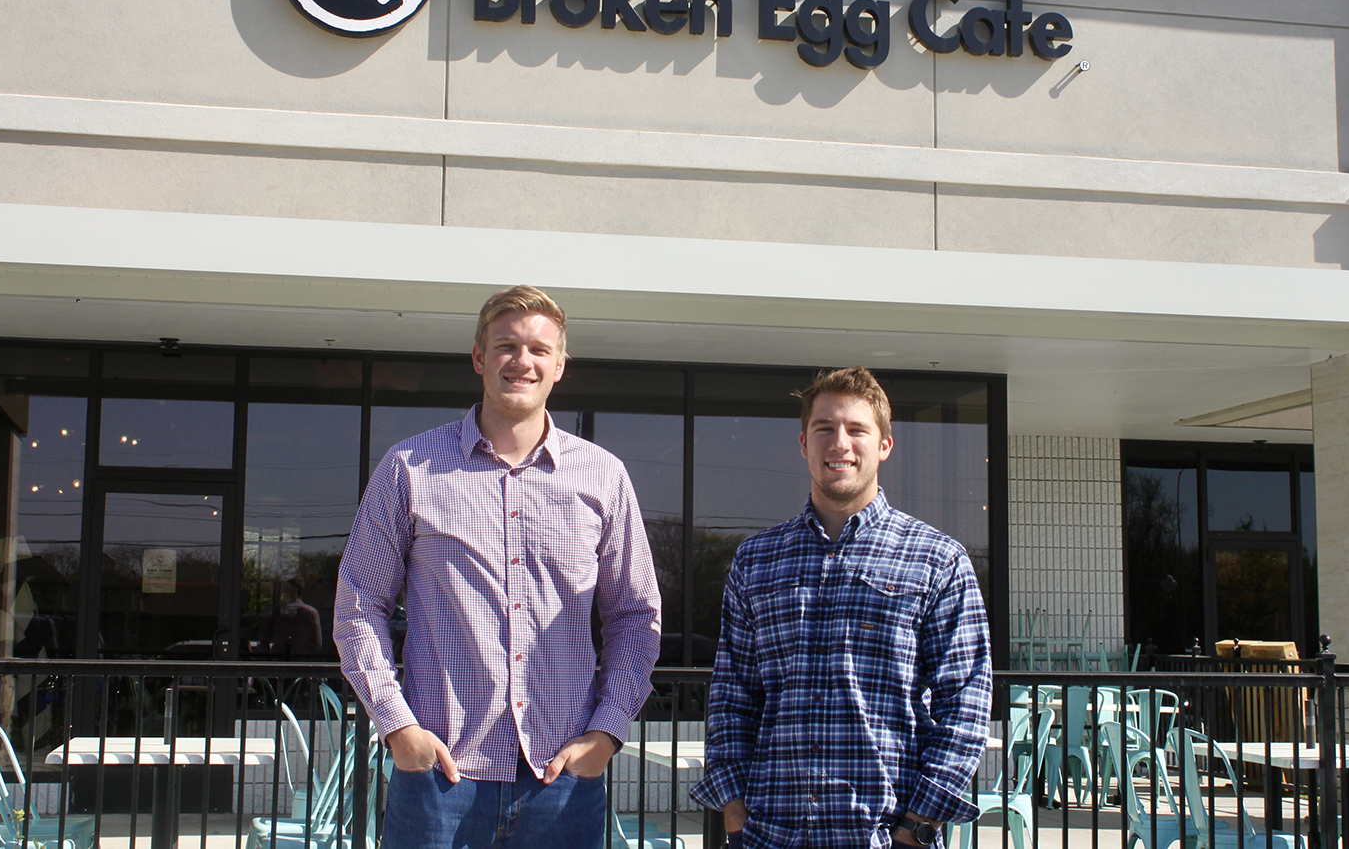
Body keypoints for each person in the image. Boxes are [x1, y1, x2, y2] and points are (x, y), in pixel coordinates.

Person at [334, 285, 663, 849]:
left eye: (539, 349)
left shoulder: (603, 477)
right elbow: (359, 605)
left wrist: (607, 731)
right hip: (439, 775)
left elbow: (636, 615)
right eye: (506, 345)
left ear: (560, 365)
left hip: (559, 779)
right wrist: (398, 726)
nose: (522, 360)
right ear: (478, 358)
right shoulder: (410, 468)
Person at [691, 366, 992, 849]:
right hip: (770, 834)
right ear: (804, 445)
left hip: (883, 836)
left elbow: (967, 703)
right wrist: (734, 812)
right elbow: (733, 695)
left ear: (884, 446)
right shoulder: (757, 559)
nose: (840, 443)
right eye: (824, 429)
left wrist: (917, 828)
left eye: (857, 429)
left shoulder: (937, 560)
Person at [257, 576, 322, 656]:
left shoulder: (275, 612)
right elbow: (317, 644)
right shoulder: (311, 612)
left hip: (278, 660)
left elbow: (263, 640)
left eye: (285, 590)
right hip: (302, 661)